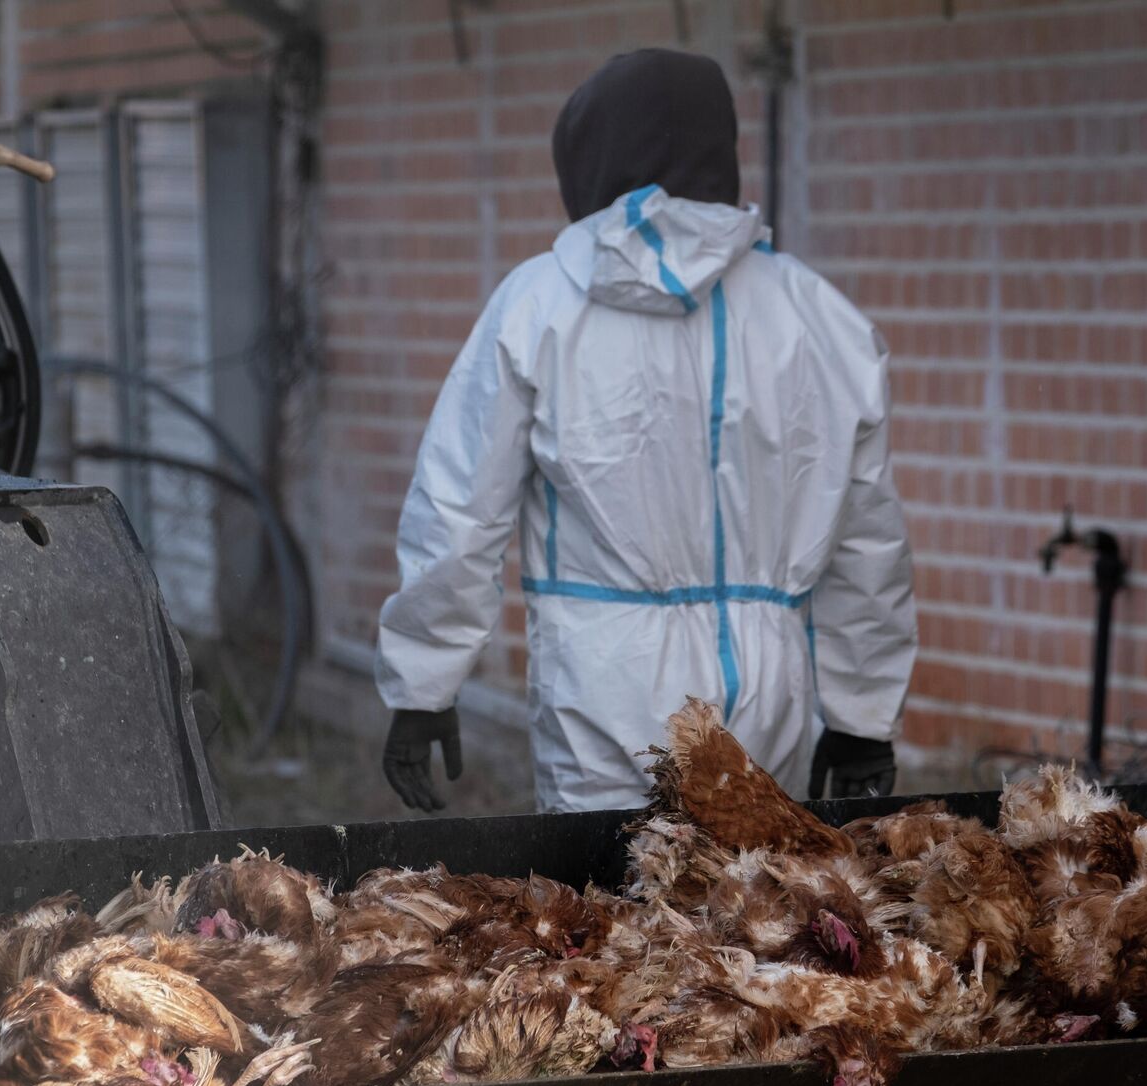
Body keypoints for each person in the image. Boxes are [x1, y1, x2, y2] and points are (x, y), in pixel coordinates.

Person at [377, 48, 916, 814]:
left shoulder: (538, 309)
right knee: (759, 917)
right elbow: (869, 538)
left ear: (588, 162)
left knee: (609, 921)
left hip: (602, 684)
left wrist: (423, 683)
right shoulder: (819, 317)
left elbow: (461, 507)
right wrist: (864, 717)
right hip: (769, 694)